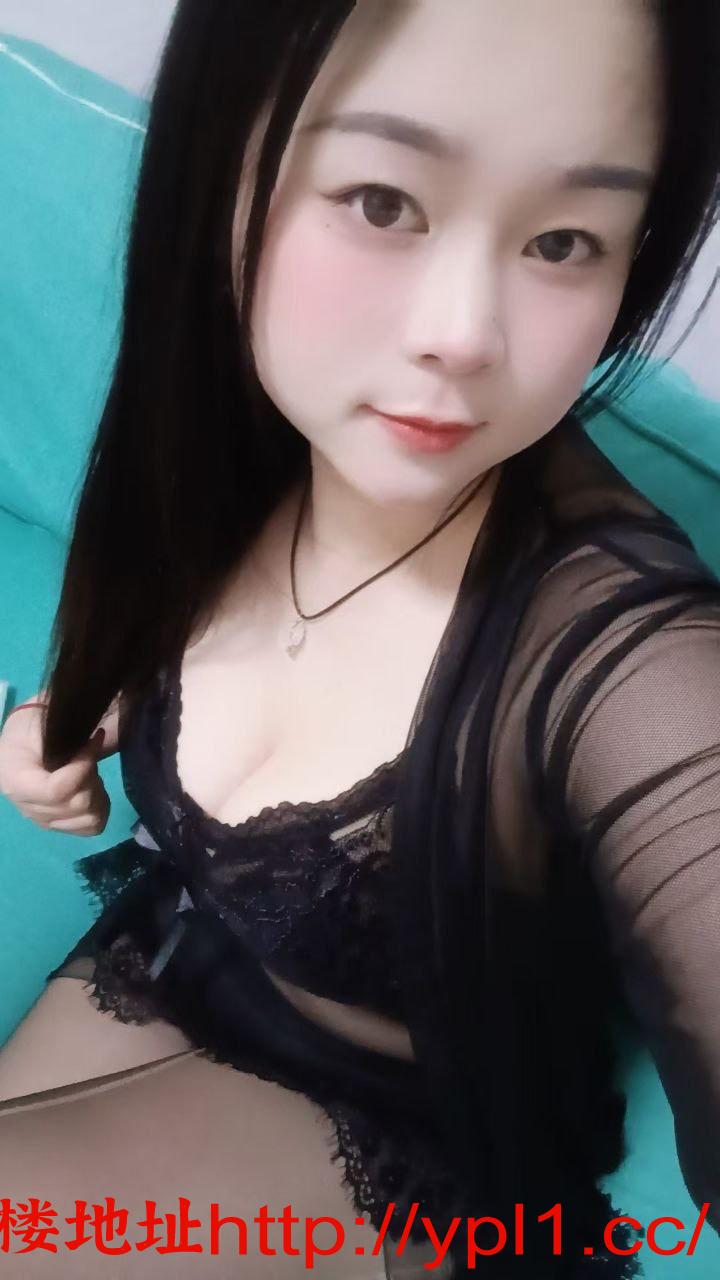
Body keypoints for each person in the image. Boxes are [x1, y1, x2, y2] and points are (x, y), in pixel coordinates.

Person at [0, 0, 718, 1276]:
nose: (465, 334)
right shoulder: (246, 423)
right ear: (223, 166)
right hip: (174, 955)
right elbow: (164, 623)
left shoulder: (615, 650)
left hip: (411, 1137)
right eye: (384, 202)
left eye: (563, 240)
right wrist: (74, 710)